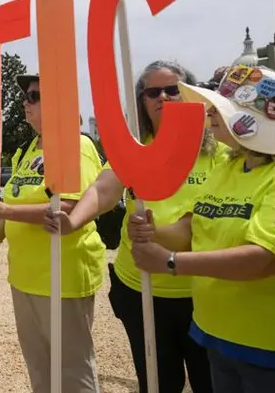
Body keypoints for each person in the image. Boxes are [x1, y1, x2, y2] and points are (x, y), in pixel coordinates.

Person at [45, 60, 226, 393]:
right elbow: (104, 188)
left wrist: (156, 234)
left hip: (203, 293)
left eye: (172, 90)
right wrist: (74, 219)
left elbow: (200, 227)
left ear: (190, 94)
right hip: (141, 291)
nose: (163, 97)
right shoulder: (135, 148)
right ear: (141, 101)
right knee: (157, 383)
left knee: (209, 383)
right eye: (152, 92)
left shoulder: (218, 151)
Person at [129, 66, 275, 392]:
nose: (210, 113)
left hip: (274, 349)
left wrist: (170, 262)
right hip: (218, 336)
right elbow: (193, 227)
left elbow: (264, 258)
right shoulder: (230, 164)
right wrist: (154, 232)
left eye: (223, 108)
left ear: (258, 119)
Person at [0, 73, 105, 393]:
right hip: (25, 274)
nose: (26, 101)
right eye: (26, 95)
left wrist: (4, 212)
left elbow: (70, 207)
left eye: (35, 96)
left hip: (62, 274)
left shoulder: (77, 145)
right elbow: (15, 199)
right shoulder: (27, 149)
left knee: (72, 369)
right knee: (39, 365)